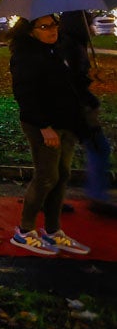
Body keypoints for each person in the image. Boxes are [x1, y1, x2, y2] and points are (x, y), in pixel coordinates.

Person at [8, 15, 92, 255]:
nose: (52, 30)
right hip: (44, 125)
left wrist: (86, 79)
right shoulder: (26, 56)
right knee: (46, 177)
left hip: (66, 122)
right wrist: (43, 126)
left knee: (62, 175)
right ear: (31, 31)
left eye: (54, 25)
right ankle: (24, 231)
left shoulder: (56, 50)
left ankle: (53, 231)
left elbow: (66, 84)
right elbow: (25, 95)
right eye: (44, 27)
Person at [58, 11, 113, 213]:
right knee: (99, 148)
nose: (93, 28)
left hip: (74, 107)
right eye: (90, 23)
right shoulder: (71, 48)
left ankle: (57, 198)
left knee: (69, 153)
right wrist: (89, 96)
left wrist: (90, 76)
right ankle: (96, 195)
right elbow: (72, 81)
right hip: (76, 109)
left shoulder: (73, 45)